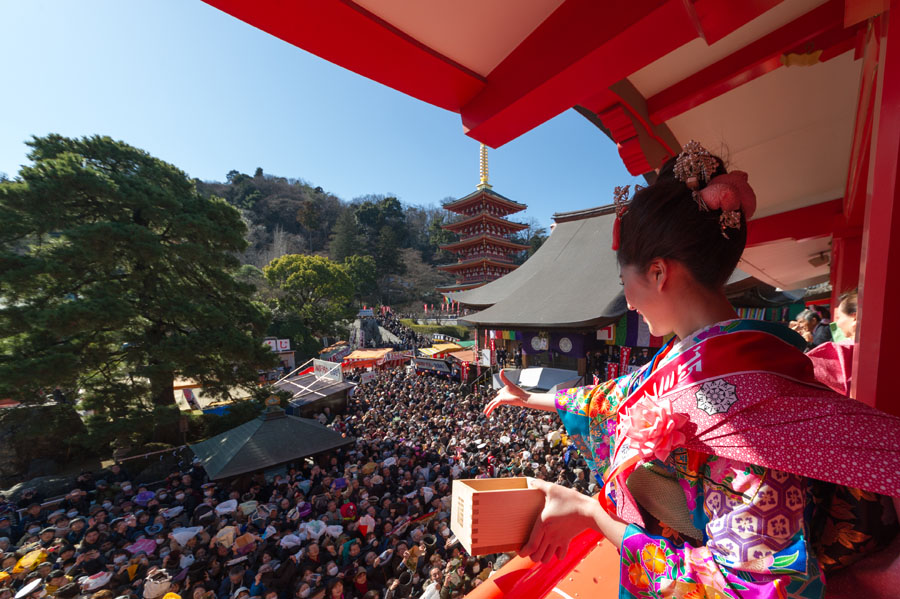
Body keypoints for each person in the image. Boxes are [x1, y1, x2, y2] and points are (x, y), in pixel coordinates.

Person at [484, 141, 900, 598]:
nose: (628, 302)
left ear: (659, 273)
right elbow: (615, 395)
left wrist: (593, 515)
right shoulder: (734, 356)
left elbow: (748, 587)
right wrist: (532, 397)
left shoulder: (744, 428)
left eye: (627, 284)